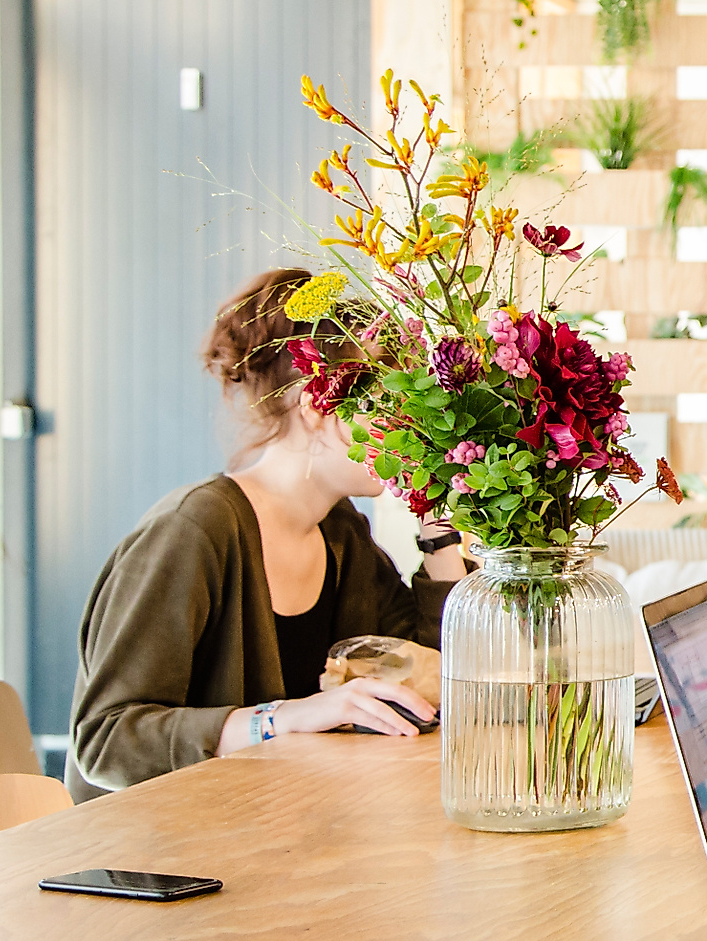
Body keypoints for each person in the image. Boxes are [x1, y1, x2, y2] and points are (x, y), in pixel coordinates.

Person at [68, 269, 468, 801]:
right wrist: (286, 718)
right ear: (318, 406)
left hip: (280, 833)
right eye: (390, 409)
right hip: (158, 860)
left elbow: (435, 678)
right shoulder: (193, 531)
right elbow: (107, 740)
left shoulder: (342, 535)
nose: (411, 429)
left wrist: (440, 532)